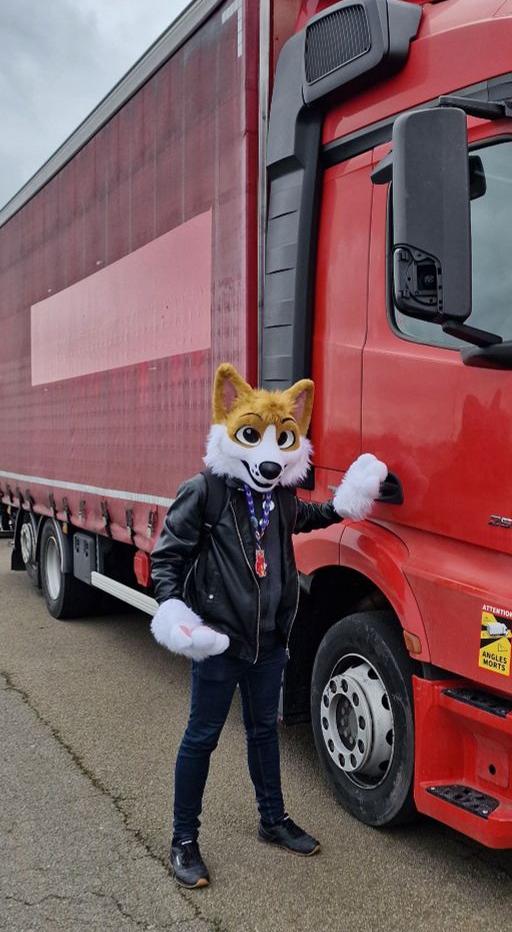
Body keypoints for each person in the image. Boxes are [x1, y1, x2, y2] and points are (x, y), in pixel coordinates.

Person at [149, 363, 386, 889]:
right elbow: (167, 559)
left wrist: (350, 497)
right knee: (202, 738)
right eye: (256, 438)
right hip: (218, 641)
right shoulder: (205, 491)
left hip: (270, 642)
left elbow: (312, 517)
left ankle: (272, 820)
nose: (271, 455)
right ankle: (183, 839)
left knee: (263, 732)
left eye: (282, 440)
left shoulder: (278, 496)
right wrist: (175, 613)